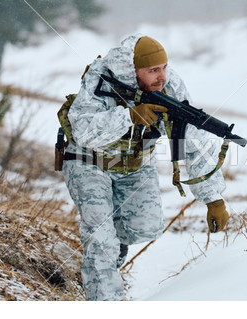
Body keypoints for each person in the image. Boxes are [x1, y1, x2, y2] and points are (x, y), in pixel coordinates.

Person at [62, 34, 229, 301]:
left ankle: (112, 246)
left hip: (135, 163)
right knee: (100, 238)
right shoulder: (102, 77)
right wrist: (129, 117)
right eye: (153, 70)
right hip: (88, 161)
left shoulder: (169, 84)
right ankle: (105, 300)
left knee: (145, 228)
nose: (161, 75)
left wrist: (214, 198)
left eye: (163, 67)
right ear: (134, 70)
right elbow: (81, 128)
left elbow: (191, 140)